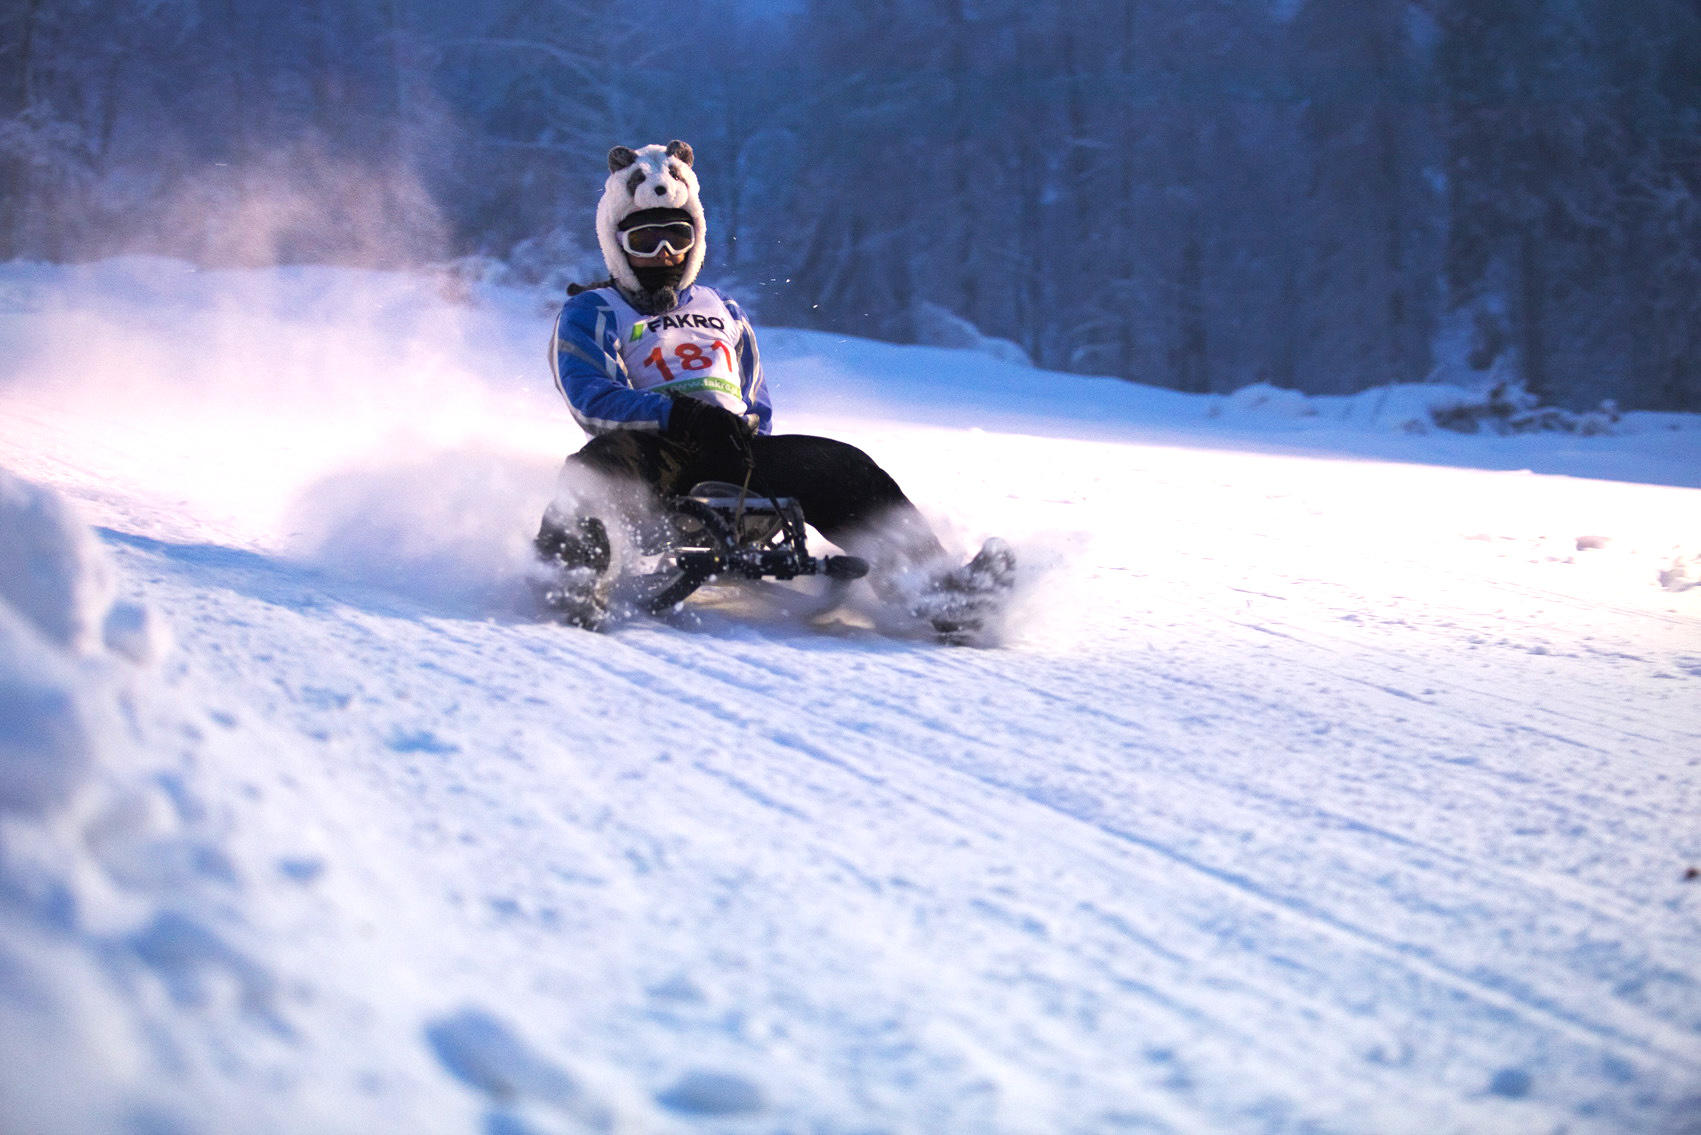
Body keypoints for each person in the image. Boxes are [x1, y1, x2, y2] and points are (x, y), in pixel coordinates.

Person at [533, 139, 1011, 633]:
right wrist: (680, 414)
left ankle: (938, 590)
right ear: (617, 244)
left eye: (677, 236)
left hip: (733, 447)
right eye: (645, 241)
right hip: (656, 446)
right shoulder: (594, 310)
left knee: (842, 466)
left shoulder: (723, 308)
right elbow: (591, 397)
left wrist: (743, 432)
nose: (665, 253)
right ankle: (574, 572)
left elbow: (754, 393)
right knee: (596, 469)